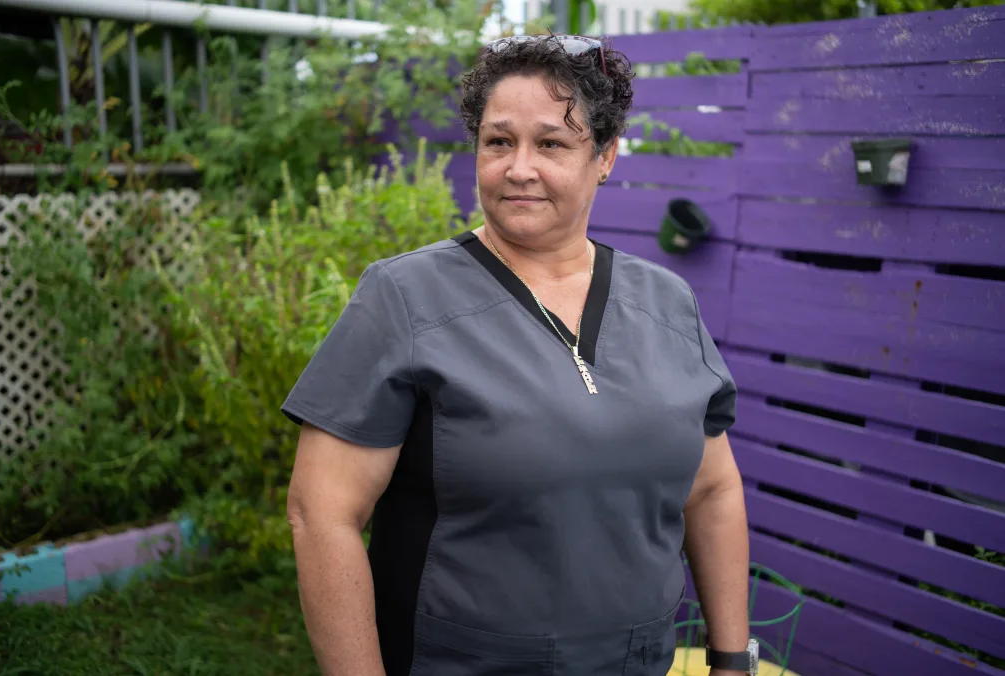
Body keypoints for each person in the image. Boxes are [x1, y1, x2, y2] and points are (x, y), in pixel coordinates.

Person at [283, 34, 752, 676]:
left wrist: (731, 659)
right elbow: (321, 514)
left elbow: (712, 488)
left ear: (606, 156)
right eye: (499, 141)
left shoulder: (667, 302)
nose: (519, 167)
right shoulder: (404, 297)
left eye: (552, 143)